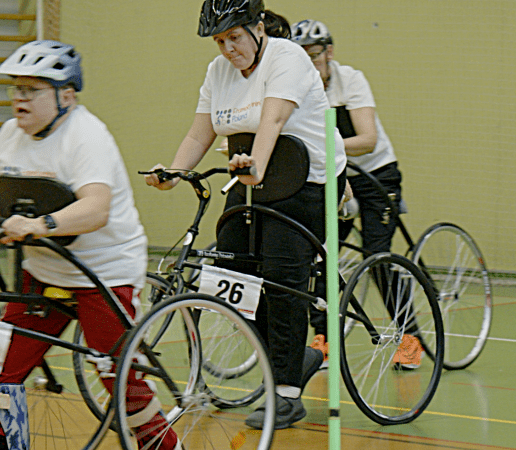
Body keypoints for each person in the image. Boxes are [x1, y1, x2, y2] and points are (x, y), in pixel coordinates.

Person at [0, 40, 179, 450]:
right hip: (43, 272)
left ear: (66, 95)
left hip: (104, 270)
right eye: (16, 88)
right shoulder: (10, 136)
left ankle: (166, 445)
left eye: (32, 89)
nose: (19, 98)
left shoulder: (87, 136)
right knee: (1, 366)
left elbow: (96, 208)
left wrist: (40, 224)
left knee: (117, 378)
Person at [145, 0, 347, 430]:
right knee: (232, 279)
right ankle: (299, 357)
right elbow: (200, 132)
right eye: (220, 41)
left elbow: (273, 121)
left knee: (282, 278)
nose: (227, 49)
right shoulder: (218, 72)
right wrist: (174, 173)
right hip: (251, 173)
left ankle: (287, 394)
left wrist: (254, 167)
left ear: (257, 28)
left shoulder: (286, 57)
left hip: (307, 179)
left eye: (234, 37)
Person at [290, 19, 421, 369]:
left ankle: (411, 338)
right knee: (322, 256)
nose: (310, 64)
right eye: (300, 57)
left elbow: (367, 140)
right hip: (339, 175)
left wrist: (318, 145)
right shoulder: (298, 90)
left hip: (377, 175)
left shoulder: (351, 80)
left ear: (328, 52)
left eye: (314, 56)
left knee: (375, 257)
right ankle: (325, 339)